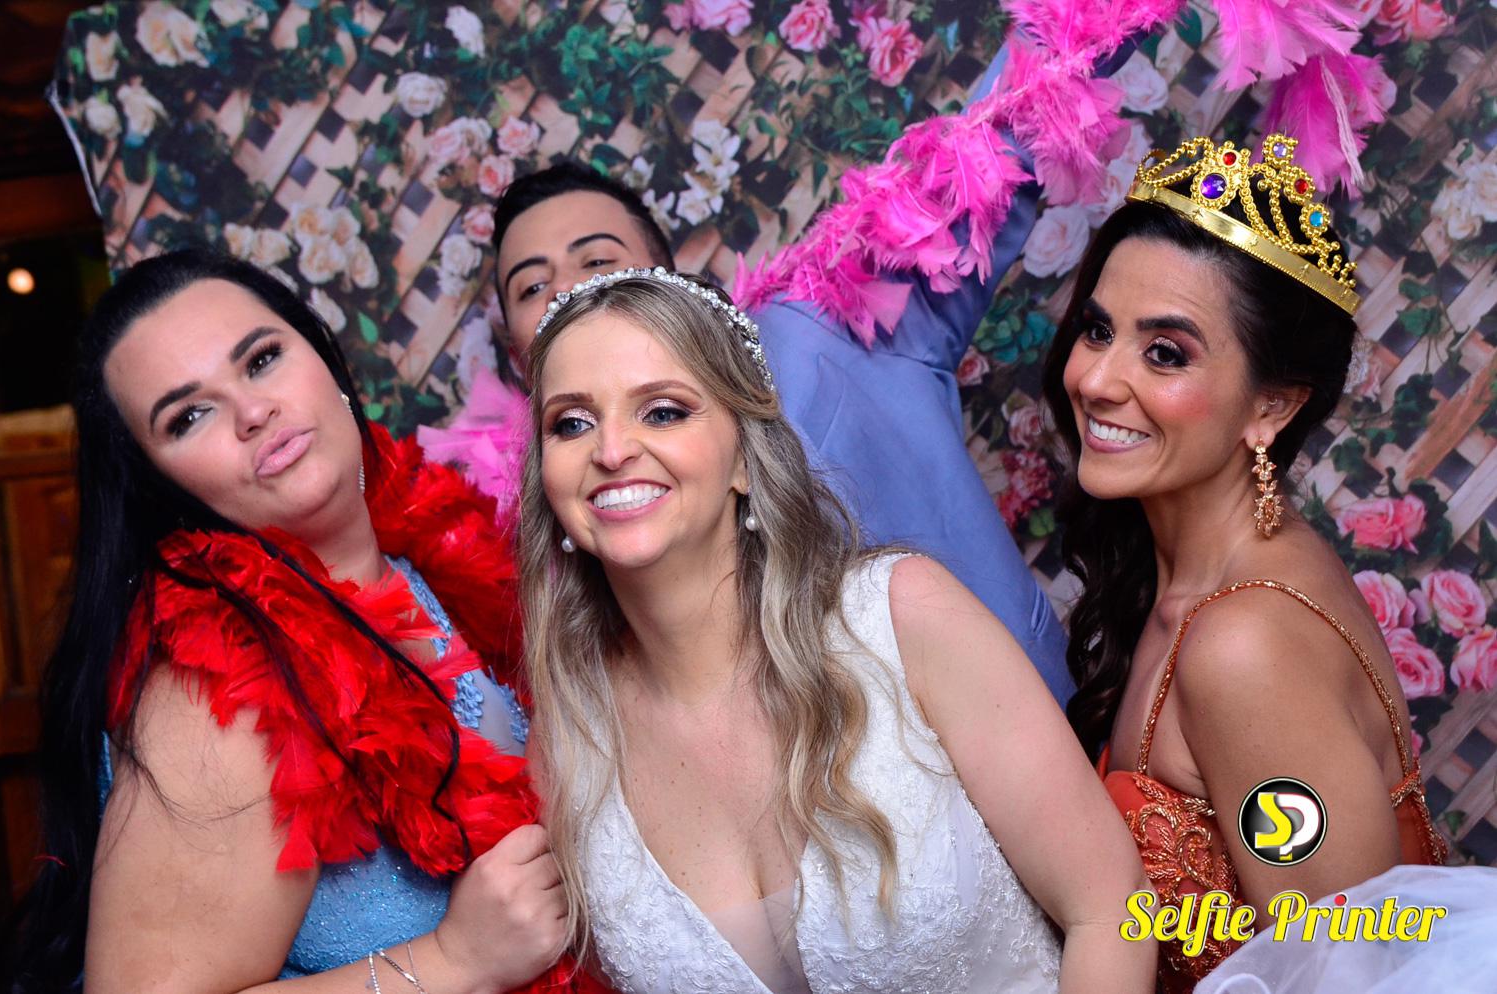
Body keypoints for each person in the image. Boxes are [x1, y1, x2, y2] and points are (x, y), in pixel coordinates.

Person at [518, 268, 1156, 994]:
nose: (611, 450)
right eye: (571, 423)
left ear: (743, 456)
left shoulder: (903, 617)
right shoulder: (568, 744)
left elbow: (1112, 908)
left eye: (663, 412)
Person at [0, 250, 604, 994]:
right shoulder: (215, 693)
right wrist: (453, 962)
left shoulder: (439, 568)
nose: (252, 412)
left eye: (261, 360)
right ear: (160, 486)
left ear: (322, 357)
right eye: (189, 416)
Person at [425, 48, 1077, 704]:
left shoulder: (825, 332)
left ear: (668, 278)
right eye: (532, 286)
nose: (569, 292)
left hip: (1020, 708)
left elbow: (994, 144)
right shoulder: (551, 514)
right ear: (517, 354)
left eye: (596, 260)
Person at [1039, 133, 1447, 993]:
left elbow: (1347, 974)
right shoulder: (1185, 578)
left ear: (1272, 406)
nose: (1098, 380)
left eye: (1165, 353)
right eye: (1098, 330)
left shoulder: (1246, 648)